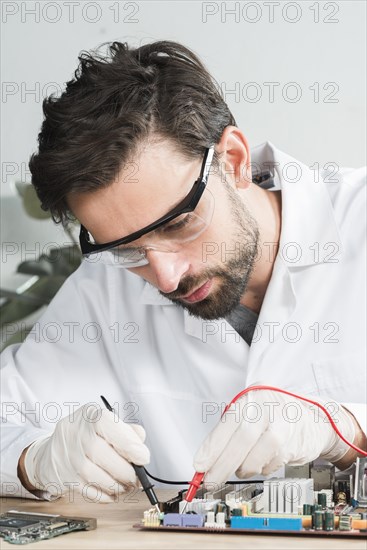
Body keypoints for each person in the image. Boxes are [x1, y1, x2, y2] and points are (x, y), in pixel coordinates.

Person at [1, 40, 366, 503]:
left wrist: (345, 428)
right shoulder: (103, 291)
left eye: (178, 223)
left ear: (233, 161)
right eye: (126, 248)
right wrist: (31, 461)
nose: (167, 277)